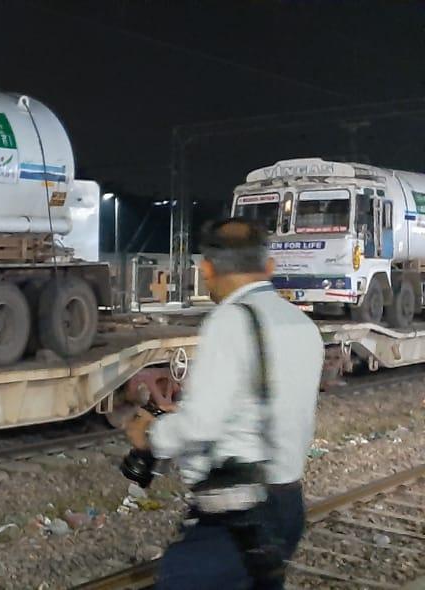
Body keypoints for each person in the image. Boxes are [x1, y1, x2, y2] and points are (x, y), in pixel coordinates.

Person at [127, 218, 322, 589]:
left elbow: (202, 424)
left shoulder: (230, 321)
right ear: (268, 267)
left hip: (238, 514)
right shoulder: (301, 323)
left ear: (207, 269)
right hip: (287, 503)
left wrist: (150, 436)